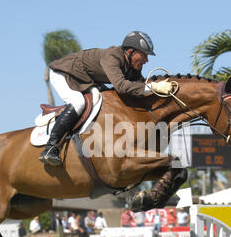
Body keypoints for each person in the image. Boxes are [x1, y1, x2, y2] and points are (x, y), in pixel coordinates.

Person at [39, 31, 175, 166]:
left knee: (105, 98)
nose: (147, 60)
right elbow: (122, 86)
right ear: (131, 51)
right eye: (144, 55)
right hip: (64, 73)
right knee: (78, 102)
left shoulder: (133, 67)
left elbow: (138, 88)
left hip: (86, 79)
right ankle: (51, 147)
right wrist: (153, 87)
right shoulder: (113, 57)